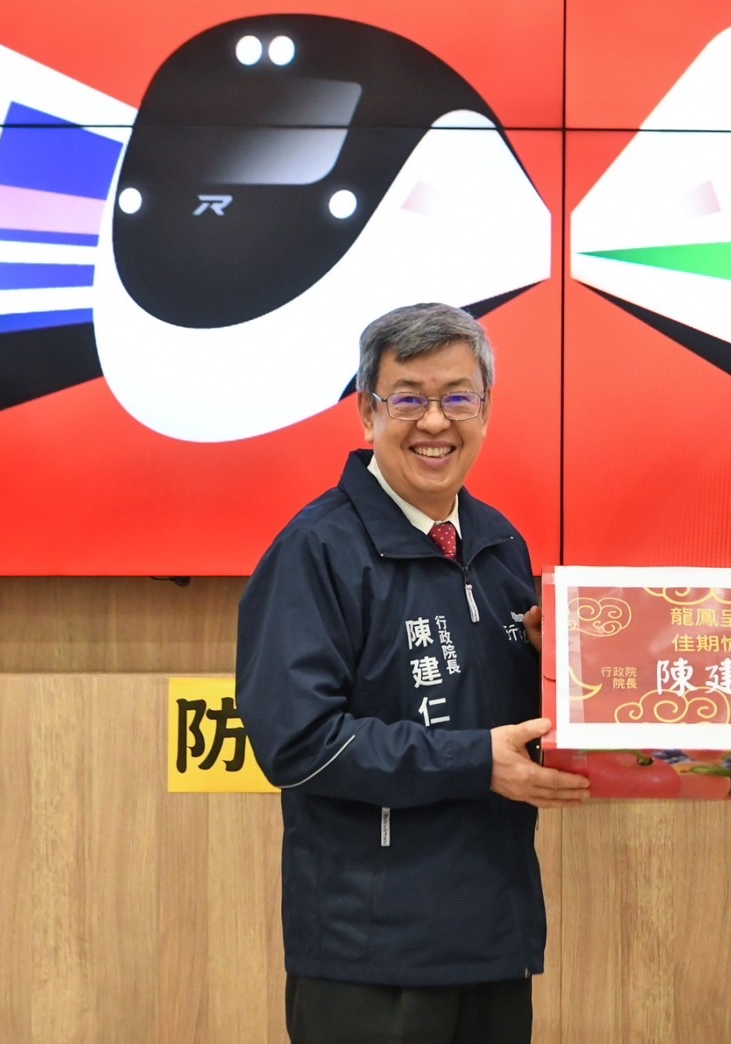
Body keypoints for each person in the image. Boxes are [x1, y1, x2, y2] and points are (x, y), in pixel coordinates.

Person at [236, 302, 590, 1043]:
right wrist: (474, 761)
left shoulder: (499, 544)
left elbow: (514, 727)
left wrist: (554, 662)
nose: (436, 422)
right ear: (368, 414)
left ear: (485, 410)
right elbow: (298, 743)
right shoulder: (316, 550)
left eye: (458, 398)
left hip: (494, 937)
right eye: (408, 400)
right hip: (370, 955)